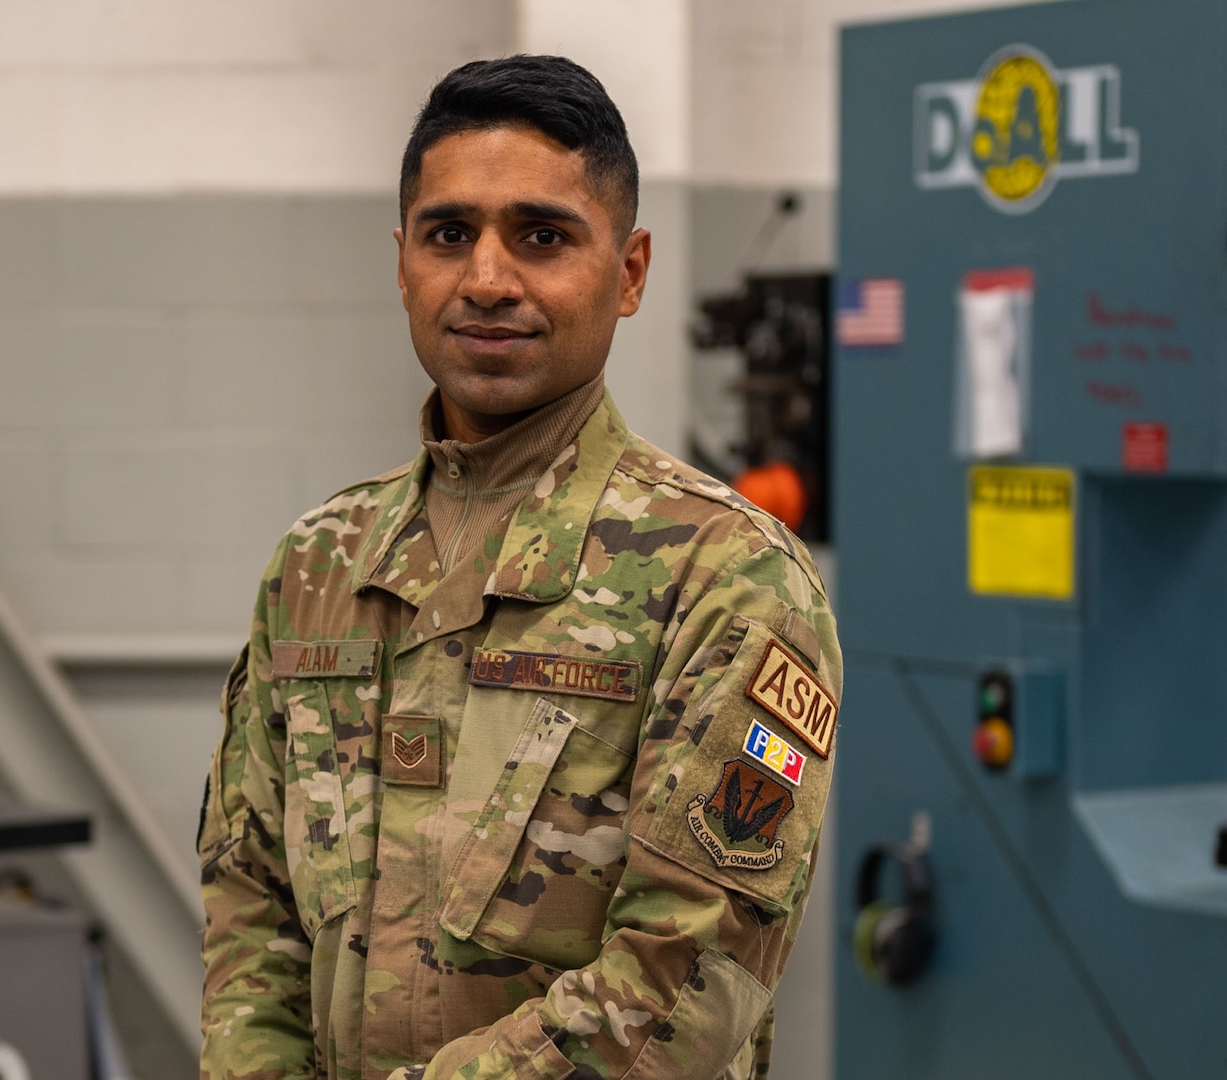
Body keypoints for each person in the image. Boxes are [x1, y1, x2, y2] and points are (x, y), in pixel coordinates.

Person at [198, 54, 841, 1080]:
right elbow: (249, 908)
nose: (488, 280)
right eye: (449, 235)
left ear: (628, 273)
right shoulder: (319, 563)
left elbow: (687, 977)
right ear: (402, 261)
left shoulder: (723, 573)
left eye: (542, 237)